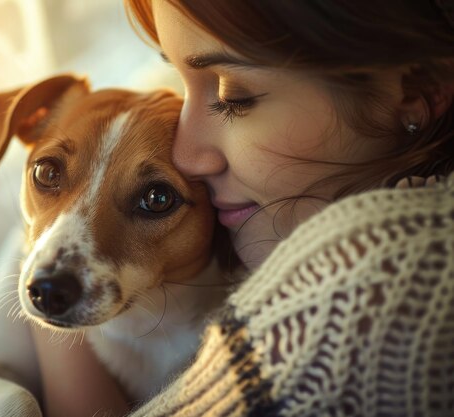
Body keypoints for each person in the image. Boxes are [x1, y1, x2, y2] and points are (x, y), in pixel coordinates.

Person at [119, 0, 454, 416]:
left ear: (416, 90)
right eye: (180, 80)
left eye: (233, 98)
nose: (184, 157)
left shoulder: (377, 283)